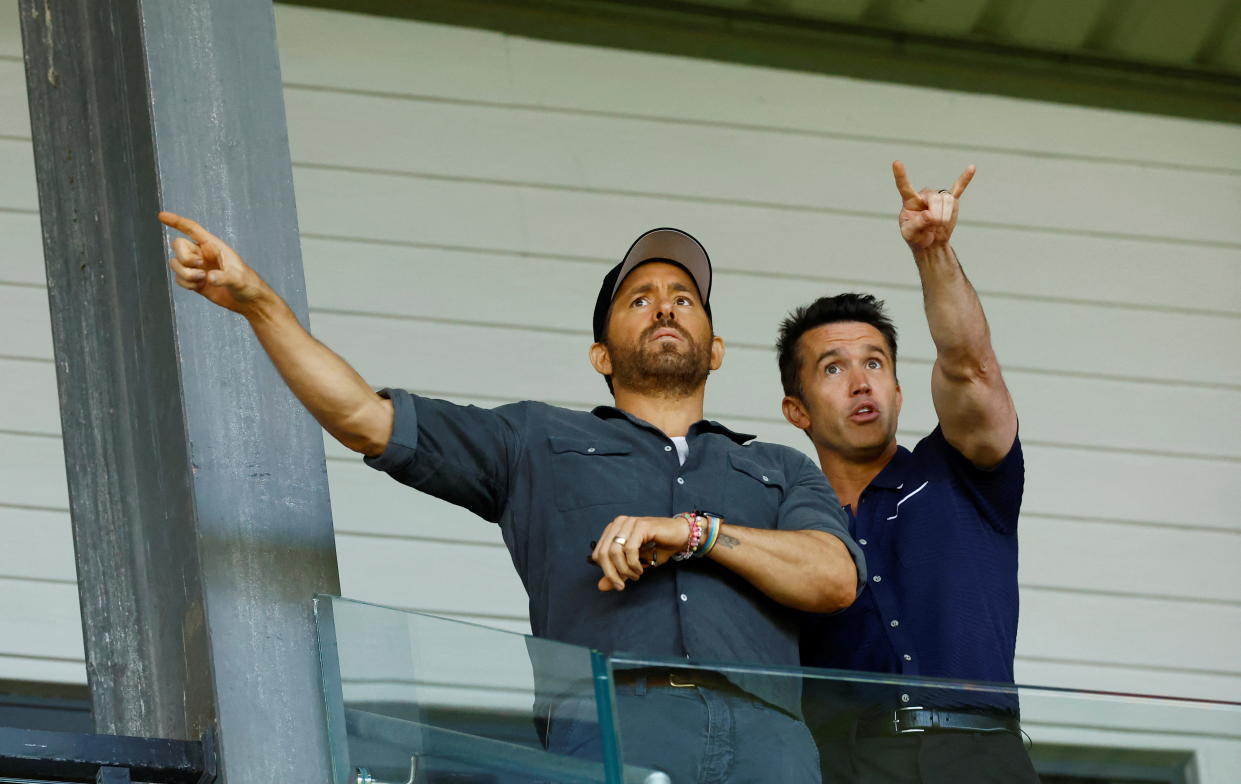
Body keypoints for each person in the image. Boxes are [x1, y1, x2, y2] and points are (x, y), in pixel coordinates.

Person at [159, 214, 865, 783]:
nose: (664, 309)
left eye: (684, 299)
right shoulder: (533, 439)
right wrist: (260, 305)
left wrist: (695, 533)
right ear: (600, 354)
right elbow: (363, 418)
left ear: (714, 349)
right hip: (615, 724)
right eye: (638, 299)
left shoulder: (777, 466)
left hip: (771, 739)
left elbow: (833, 578)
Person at [777, 162, 1040, 783]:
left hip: (981, 760)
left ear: (898, 389)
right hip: (846, 767)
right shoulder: (786, 524)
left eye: (876, 363)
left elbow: (971, 366)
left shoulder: (963, 473)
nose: (862, 380)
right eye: (834, 369)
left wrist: (934, 251)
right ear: (797, 410)